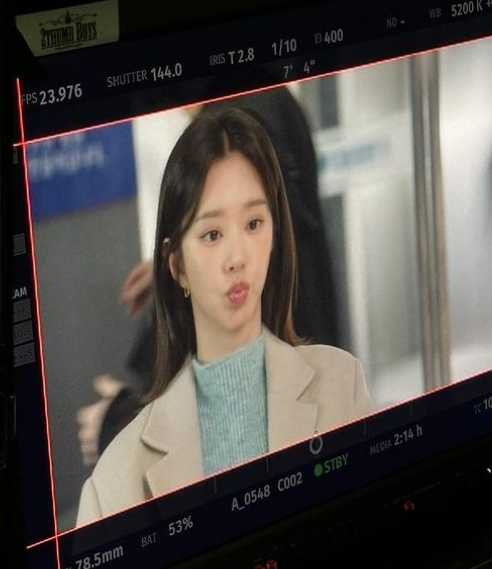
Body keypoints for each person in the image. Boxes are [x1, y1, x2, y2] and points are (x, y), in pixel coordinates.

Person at [76, 109, 373, 525]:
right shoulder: (114, 480)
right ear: (177, 265)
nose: (237, 258)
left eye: (254, 224)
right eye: (212, 234)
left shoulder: (342, 385)